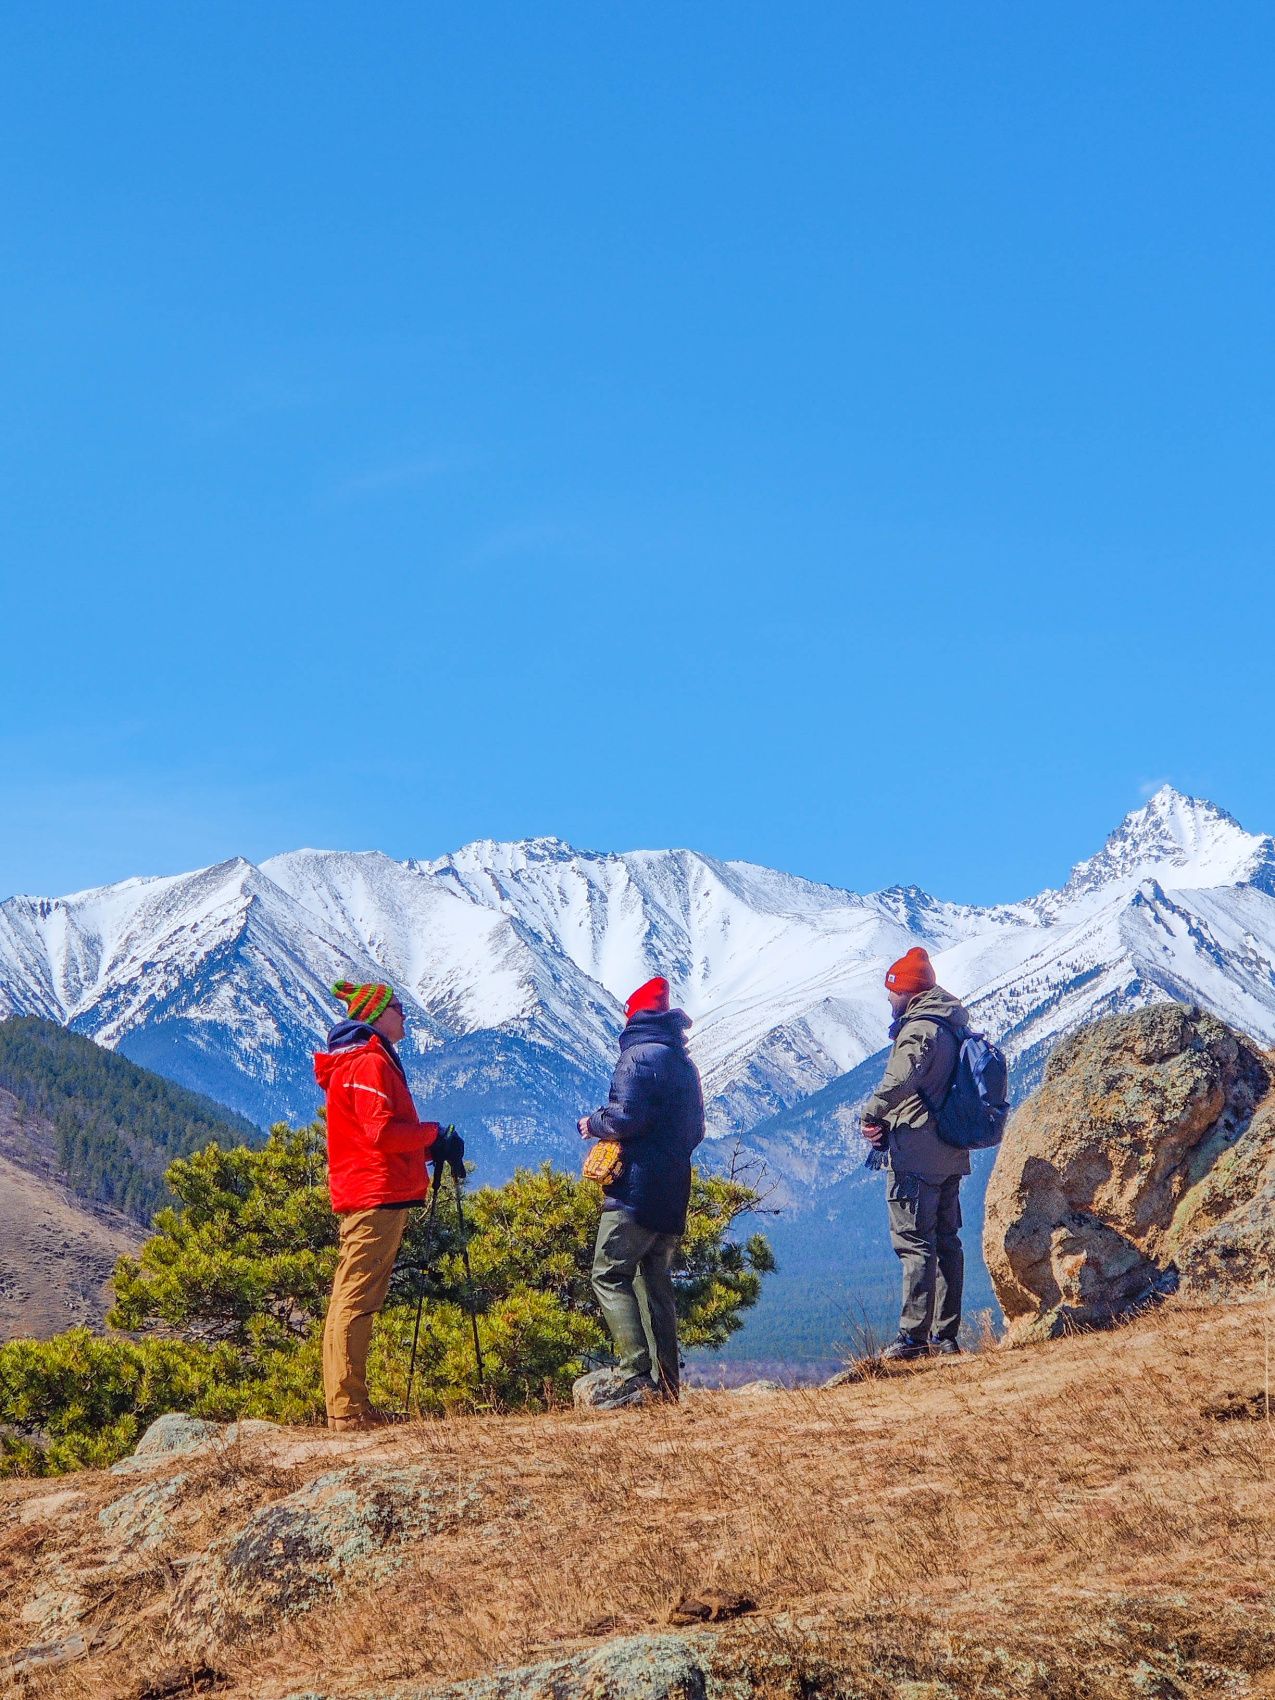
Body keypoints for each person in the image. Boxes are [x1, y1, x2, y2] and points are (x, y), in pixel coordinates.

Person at [314, 979, 462, 1429]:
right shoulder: (370, 1062)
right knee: (357, 1300)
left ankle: (346, 1405)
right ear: (376, 1014)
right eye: (399, 1007)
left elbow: (372, 1136)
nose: (405, 1015)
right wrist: (434, 1135)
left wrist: (429, 1151)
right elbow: (381, 1133)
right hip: (375, 1195)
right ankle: (349, 1410)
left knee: (347, 1298)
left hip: (367, 1190)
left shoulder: (354, 1062)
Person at [578, 975, 705, 1406]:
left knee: (609, 1273)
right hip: (674, 1188)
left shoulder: (637, 1057)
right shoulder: (683, 1062)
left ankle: (634, 1370)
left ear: (633, 1015)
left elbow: (625, 1117)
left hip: (635, 1189)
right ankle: (667, 1383)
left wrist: (593, 1124)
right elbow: (696, 1130)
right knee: (657, 1281)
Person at [861, 947, 970, 1361]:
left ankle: (913, 1339)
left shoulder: (920, 1029)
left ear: (907, 991)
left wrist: (872, 1111)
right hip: (950, 1150)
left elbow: (901, 1077)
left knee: (914, 1242)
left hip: (917, 1151)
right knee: (947, 1241)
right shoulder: (951, 1024)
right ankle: (945, 1336)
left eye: (892, 992)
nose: (889, 1000)